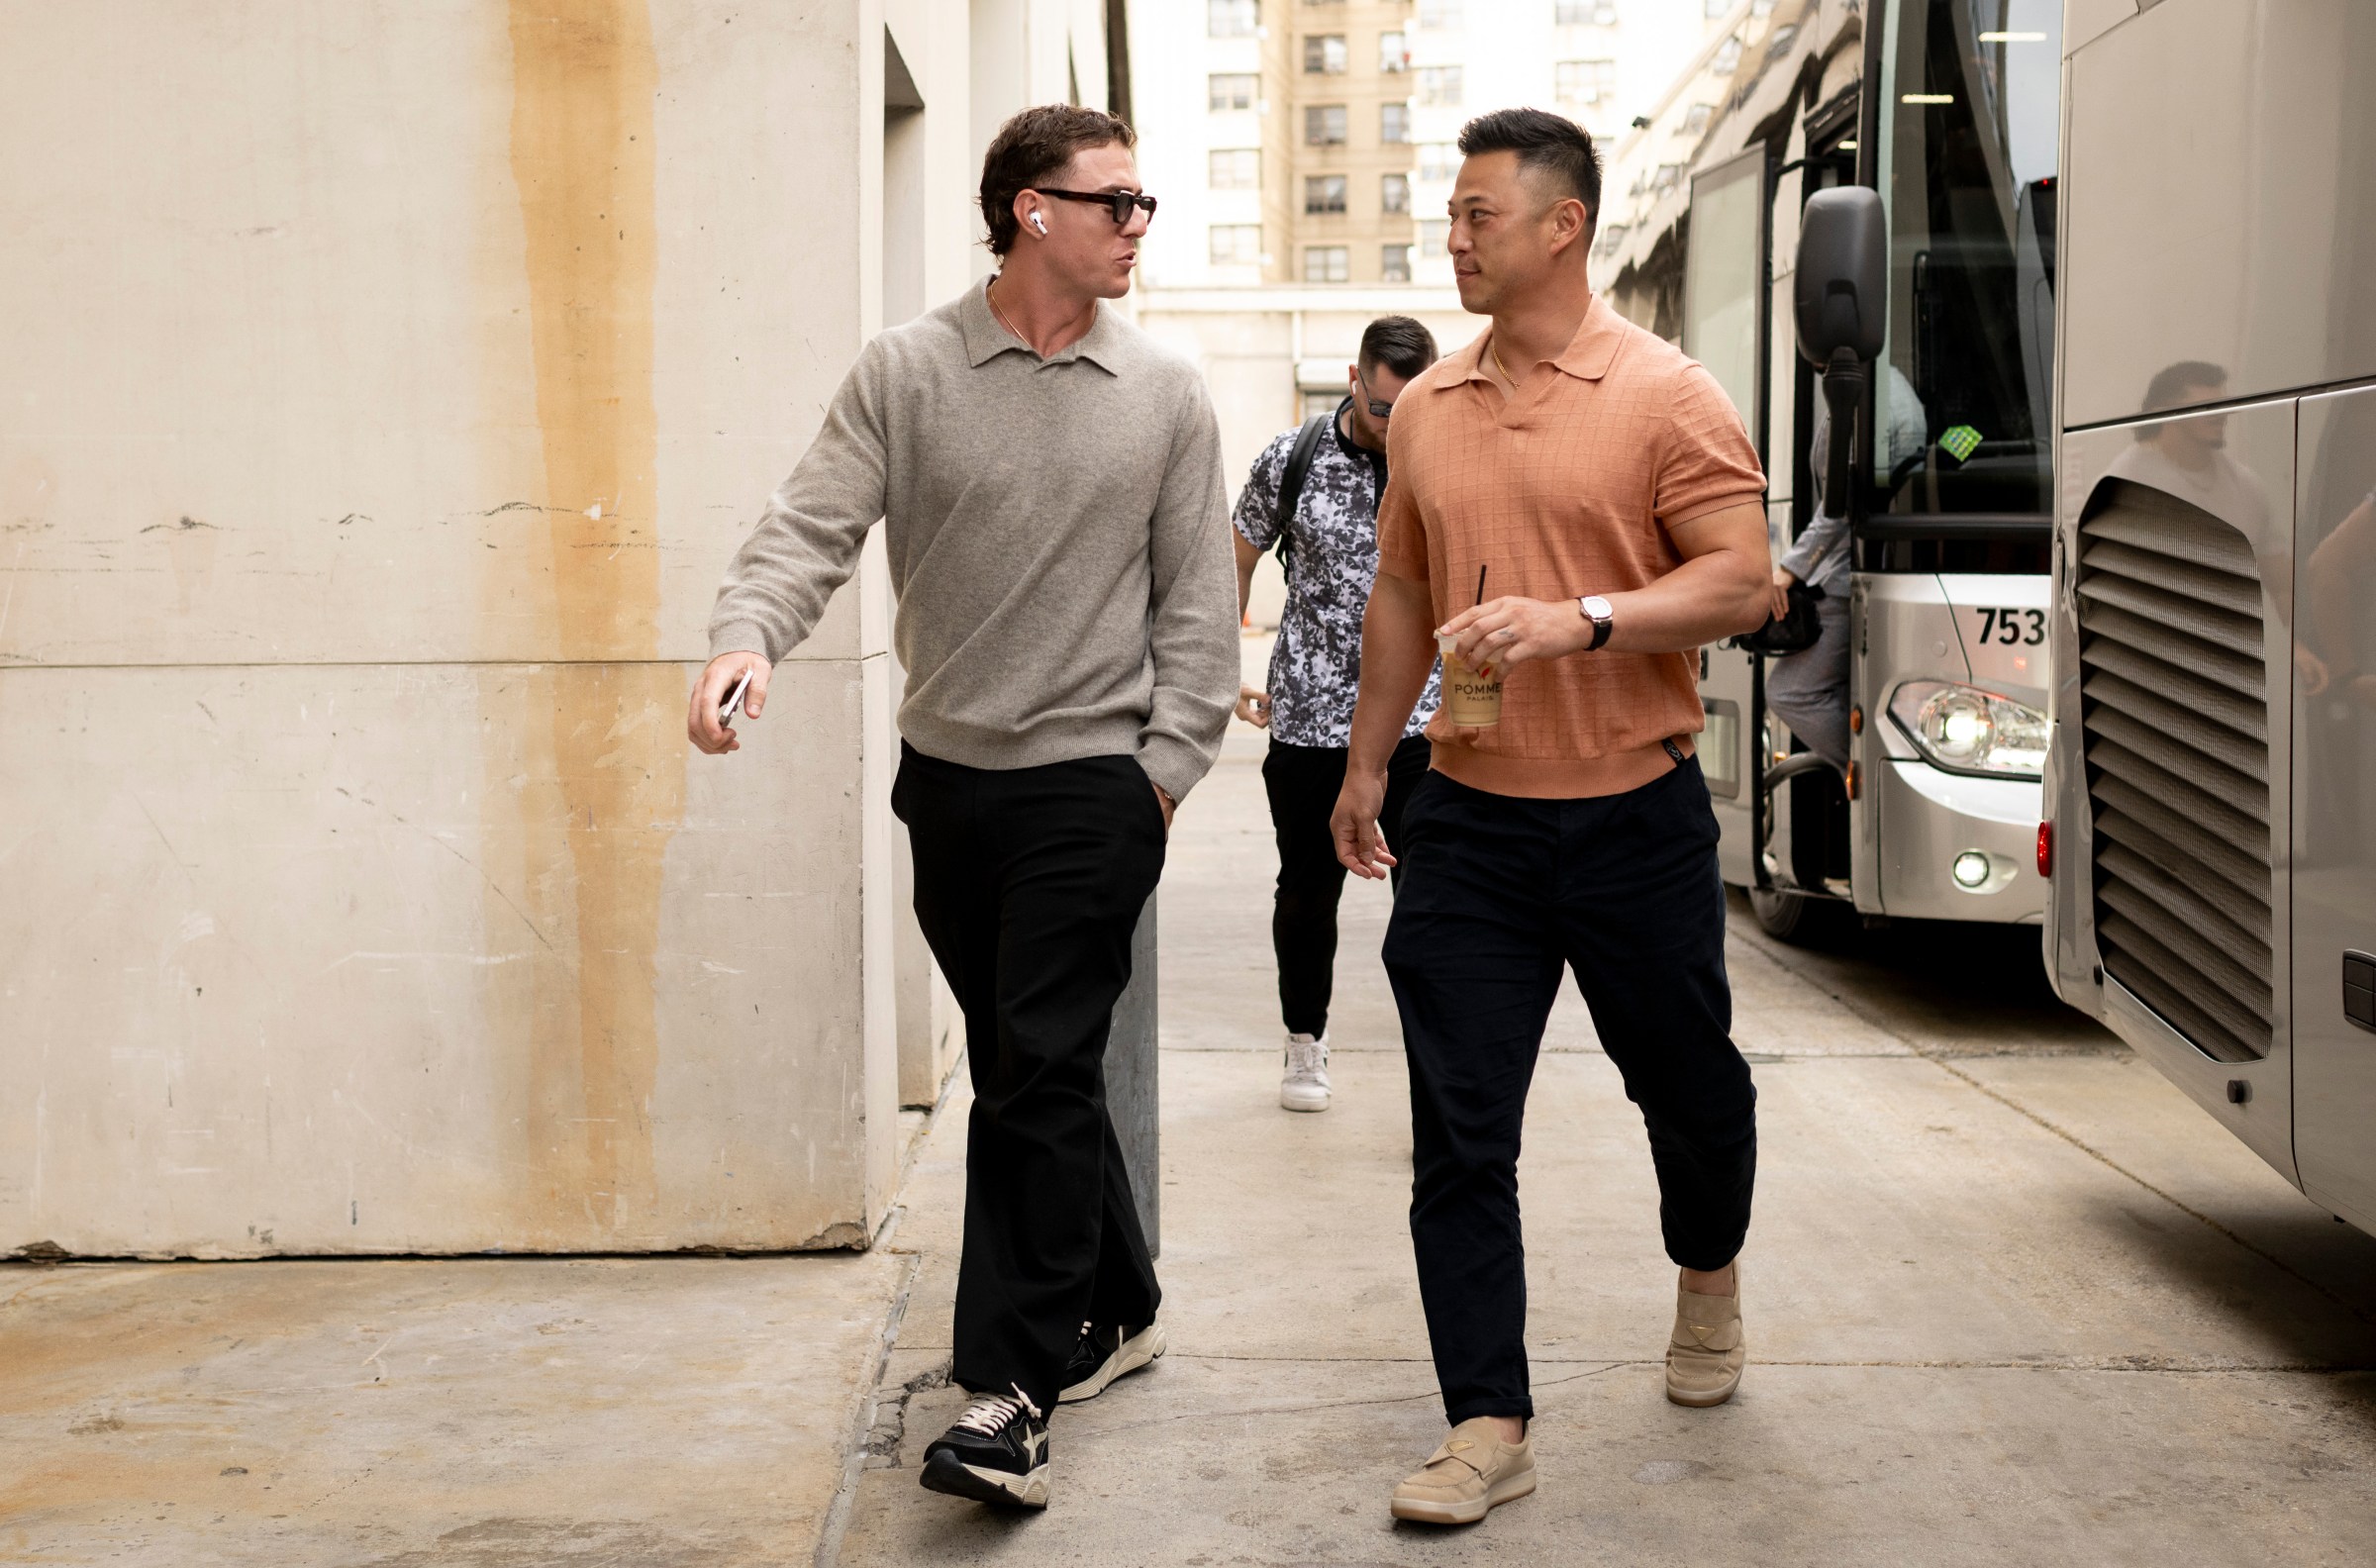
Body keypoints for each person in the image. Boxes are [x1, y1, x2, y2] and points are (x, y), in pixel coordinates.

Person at [687, 104, 1238, 1512]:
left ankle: (1007, 1393)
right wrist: (748, 637)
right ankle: (1124, 1300)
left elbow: (1197, 605)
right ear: (1030, 212)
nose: (1138, 225)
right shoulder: (909, 371)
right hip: (948, 784)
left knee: (1037, 1073)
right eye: (1115, 201)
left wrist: (1162, 777)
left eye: (1143, 202)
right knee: (1027, 1066)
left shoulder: (1164, 393)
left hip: (1093, 786)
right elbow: (810, 526)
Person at [1329, 109, 1772, 1526]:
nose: (1454, 239)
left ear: (1562, 225)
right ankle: (1487, 1423)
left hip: (1636, 818)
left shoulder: (1665, 393)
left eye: (1479, 215)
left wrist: (1582, 619)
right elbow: (1403, 590)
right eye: (1453, 216)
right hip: (1469, 826)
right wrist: (1365, 764)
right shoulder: (1428, 408)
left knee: (1688, 1093)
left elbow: (1744, 582)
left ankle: (1708, 1277)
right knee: (1461, 1133)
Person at [1232, 315, 1443, 1113]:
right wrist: (1222, 668)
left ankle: (1439, 1072)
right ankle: (1304, 1041)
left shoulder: (1444, 456)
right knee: (1307, 892)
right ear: (1355, 382)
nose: (1395, 425)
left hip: (1420, 722)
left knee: (1432, 900)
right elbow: (1236, 558)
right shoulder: (1292, 458)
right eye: (1384, 408)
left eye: (1411, 407)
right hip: (1311, 719)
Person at [1765, 363, 1926, 767]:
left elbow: (1840, 505)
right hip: (1848, 569)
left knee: (1790, 692)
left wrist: (1790, 569)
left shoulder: (1872, 397)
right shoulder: (1877, 387)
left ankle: (1865, 770)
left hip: (1844, 575)